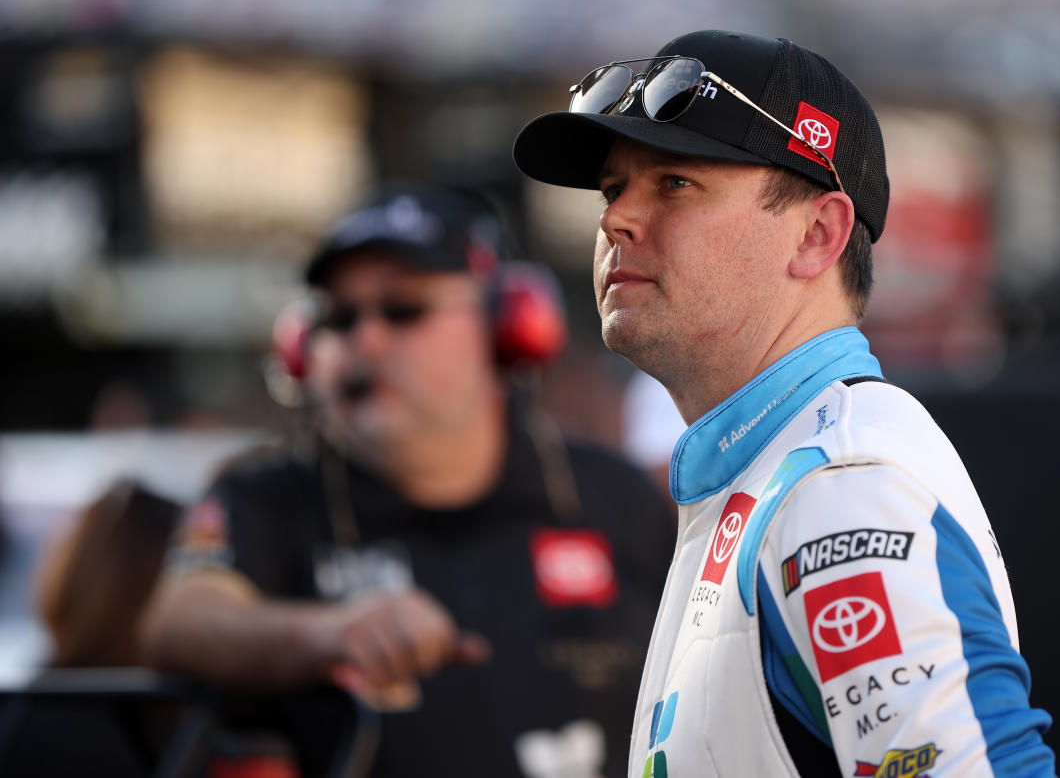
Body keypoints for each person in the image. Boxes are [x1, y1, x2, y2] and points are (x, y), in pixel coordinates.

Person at [513, 30, 1056, 777]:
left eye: (674, 183)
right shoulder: (768, 469)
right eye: (613, 189)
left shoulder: (841, 485)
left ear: (818, 234)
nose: (615, 221)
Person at [140, 187, 675, 778]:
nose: (364, 341)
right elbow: (180, 622)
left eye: (402, 311)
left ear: (506, 329)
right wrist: (329, 634)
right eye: (338, 319)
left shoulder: (614, 497)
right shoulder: (266, 499)